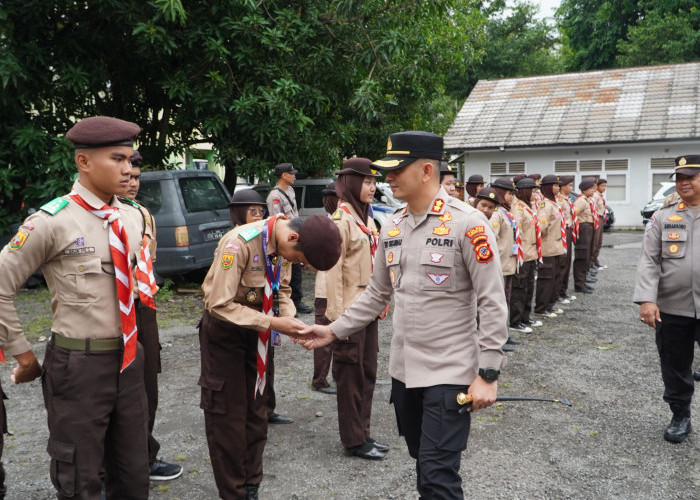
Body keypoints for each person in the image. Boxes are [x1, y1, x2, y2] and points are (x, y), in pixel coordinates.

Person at [299, 131, 508, 499]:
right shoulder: (392, 225)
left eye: (397, 170)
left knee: (437, 475)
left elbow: (492, 300)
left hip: (450, 372)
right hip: (405, 374)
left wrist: (488, 373)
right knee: (422, 462)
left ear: (427, 170)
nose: (387, 178)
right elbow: (377, 294)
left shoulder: (469, 224)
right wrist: (333, 331)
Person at [0, 116, 150, 498]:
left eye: (130, 160)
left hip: (130, 361)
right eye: (117, 158)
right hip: (79, 365)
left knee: (133, 473)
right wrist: (24, 356)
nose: (128, 168)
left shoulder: (132, 217)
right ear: (83, 162)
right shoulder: (51, 222)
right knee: (80, 477)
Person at [199, 213, 342, 499]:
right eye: (299, 260)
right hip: (226, 334)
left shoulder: (282, 245)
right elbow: (218, 304)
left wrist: (292, 321)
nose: (296, 264)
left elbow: (281, 290)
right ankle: (233, 491)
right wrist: (275, 323)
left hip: (259, 332)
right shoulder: (239, 244)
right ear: (293, 237)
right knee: (228, 417)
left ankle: (251, 484)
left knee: (257, 410)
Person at [124, 151, 183, 481]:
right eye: (127, 176)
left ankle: (146, 456)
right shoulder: (96, 214)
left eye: (136, 178)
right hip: (112, 311)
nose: (132, 183)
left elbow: (149, 260)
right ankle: (113, 465)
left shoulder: (144, 214)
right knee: (114, 387)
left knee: (148, 384)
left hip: (142, 305)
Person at [634, 154, 700, 444]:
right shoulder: (663, 215)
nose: (684, 183)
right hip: (673, 307)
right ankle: (680, 414)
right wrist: (647, 299)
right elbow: (649, 260)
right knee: (674, 364)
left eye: (691, 177)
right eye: (680, 178)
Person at [325, 158, 387, 460]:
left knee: (368, 374)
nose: (373, 187)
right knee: (350, 379)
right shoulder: (341, 221)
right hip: (350, 315)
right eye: (366, 182)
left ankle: (364, 432)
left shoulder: (366, 219)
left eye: (374, 182)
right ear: (350, 183)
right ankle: (353, 440)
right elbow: (333, 275)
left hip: (368, 312)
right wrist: (338, 321)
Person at [229, 189, 294, 425]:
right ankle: (251, 410)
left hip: (267, 313)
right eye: (251, 211)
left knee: (267, 363)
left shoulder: (270, 242)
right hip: (241, 318)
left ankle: (267, 407)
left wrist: (288, 317)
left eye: (261, 211)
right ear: (238, 213)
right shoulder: (236, 242)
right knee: (246, 368)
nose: (258, 215)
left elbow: (282, 284)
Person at [265, 163, 313, 315]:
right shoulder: (274, 196)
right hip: (285, 239)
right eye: (291, 174)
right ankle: (285, 305)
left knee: (296, 270)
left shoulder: (291, 190)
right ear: (284, 176)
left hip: (296, 234)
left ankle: (297, 301)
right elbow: (277, 218)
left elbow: (294, 212)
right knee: (283, 274)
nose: (294, 176)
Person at [311, 182, 338, 395]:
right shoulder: (334, 225)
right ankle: (319, 379)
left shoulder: (328, 223)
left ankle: (330, 377)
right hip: (328, 289)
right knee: (325, 335)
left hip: (328, 287)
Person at [490, 177, 521, 348]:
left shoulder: (505, 212)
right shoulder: (496, 214)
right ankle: (496, 339)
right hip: (500, 265)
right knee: (498, 304)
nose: (511, 197)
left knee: (505, 301)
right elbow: (491, 239)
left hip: (508, 264)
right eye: (509, 193)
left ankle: (504, 334)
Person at [510, 177, 542, 333]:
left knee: (529, 287)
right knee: (519, 288)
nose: (536, 195)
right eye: (534, 191)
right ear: (525, 191)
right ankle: (515, 320)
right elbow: (517, 232)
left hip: (532, 254)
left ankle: (525, 317)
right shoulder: (518, 208)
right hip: (523, 254)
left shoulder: (529, 207)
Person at [534, 175, 566, 318]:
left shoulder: (553, 203)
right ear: (547, 187)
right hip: (547, 248)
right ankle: (541, 307)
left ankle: (550, 305)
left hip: (556, 248)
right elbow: (541, 227)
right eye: (555, 185)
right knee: (546, 279)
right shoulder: (545, 205)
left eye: (558, 185)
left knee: (555, 278)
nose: (558, 188)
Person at [573, 178, 598, 294]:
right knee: (582, 255)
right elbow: (573, 214)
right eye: (592, 188)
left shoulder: (588, 200)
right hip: (583, 228)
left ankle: (583, 281)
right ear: (585, 189)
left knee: (587, 255)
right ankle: (579, 284)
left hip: (589, 228)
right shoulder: (581, 201)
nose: (594, 190)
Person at [556, 176, 577, 303]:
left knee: (567, 262)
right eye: (569, 185)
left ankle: (563, 291)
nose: (571, 188)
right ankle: (558, 292)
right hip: (562, 232)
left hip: (568, 230)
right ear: (562, 186)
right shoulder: (558, 200)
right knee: (562, 263)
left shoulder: (567, 199)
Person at [591, 178, 608, 270]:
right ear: (597, 186)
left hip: (601, 218)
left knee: (599, 242)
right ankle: (591, 262)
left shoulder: (600, 196)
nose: (604, 188)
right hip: (597, 218)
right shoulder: (595, 196)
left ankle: (595, 261)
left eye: (605, 186)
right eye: (602, 186)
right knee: (595, 242)